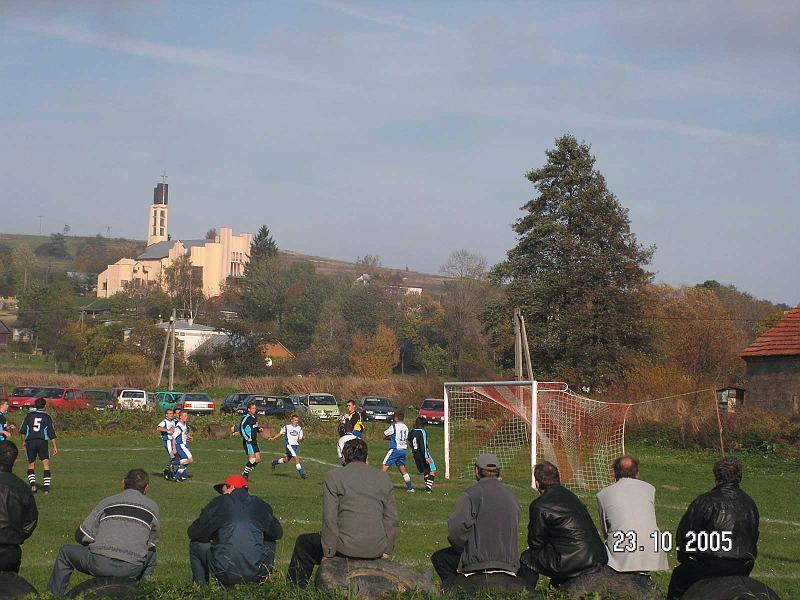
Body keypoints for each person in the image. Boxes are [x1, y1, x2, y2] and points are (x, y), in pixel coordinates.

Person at [287, 438, 398, 587]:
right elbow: (391, 519)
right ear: (366, 457)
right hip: (376, 548)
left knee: (304, 543)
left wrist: (329, 553)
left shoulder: (333, 476)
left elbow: (330, 518)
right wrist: (387, 550)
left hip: (345, 547)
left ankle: (295, 589)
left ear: (344, 457)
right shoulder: (384, 478)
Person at [48, 469, 159, 596]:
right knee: (152, 554)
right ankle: (143, 593)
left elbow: (81, 535)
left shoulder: (107, 502)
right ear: (147, 488)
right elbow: (152, 542)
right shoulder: (153, 507)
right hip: (132, 568)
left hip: (100, 563)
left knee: (65, 552)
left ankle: (53, 595)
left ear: (123, 483)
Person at [667, 456, 759, 600]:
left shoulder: (705, 501)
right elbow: (754, 535)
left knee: (679, 580)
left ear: (716, 475)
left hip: (709, 563)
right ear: (739, 476)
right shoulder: (750, 503)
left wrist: (685, 558)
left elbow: (686, 534)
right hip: (743, 564)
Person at [431, 453, 521, 590]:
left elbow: (456, 531)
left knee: (439, 558)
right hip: (509, 563)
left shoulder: (470, 495)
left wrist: (466, 549)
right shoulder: (512, 497)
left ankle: (455, 590)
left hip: (477, 563)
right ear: (498, 473)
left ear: (477, 471)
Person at [518, 461, 607, 589]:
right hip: (596, 556)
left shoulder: (540, 506)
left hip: (574, 560)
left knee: (528, 558)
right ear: (558, 478)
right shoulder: (572, 496)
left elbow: (536, 543)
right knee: (556, 550)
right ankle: (556, 587)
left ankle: (523, 594)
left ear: (537, 483)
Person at [188, 474, 283, 587]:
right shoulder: (259, 504)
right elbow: (277, 533)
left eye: (223, 490)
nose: (222, 494)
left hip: (225, 571)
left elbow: (195, 533)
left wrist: (214, 535)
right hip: (257, 572)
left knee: (196, 545)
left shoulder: (220, 502)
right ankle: (264, 586)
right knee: (270, 543)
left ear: (231, 487)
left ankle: (201, 590)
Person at [596, 456, 669, 574]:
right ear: (637, 474)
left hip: (623, 551)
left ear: (614, 474)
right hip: (654, 549)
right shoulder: (650, 489)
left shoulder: (603, 494)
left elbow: (605, 530)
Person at [0, 440, 38, 573]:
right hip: (11, 551)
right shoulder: (22, 487)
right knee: (10, 590)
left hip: (10, 547)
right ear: (15, 461)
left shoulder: (22, 487)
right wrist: (17, 536)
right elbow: (31, 520)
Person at [19, 397, 58, 494]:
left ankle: (32, 486)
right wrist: (54, 446)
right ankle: (46, 489)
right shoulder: (47, 417)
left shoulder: (29, 415)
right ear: (44, 406)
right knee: (46, 465)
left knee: (31, 464)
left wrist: (23, 442)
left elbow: (23, 431)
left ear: (35, 406)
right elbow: (51, 432)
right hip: (42, 442)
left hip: (30, 441)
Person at [381, 410, 414, 492]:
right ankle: (410, 487)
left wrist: (388, 438)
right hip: (403, 450)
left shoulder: (394, 426)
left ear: (396, 418)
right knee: (402, 468)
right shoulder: (406, 427)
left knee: (384, 466)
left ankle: (380, 486)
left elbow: (385, 434)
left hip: (395, 449)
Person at [269, 414, 306, 479]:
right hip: (289, 445)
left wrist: (302, 438)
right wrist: (273, 438)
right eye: (295, 420)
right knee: (296, 458)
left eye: (297, 420)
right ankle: (302, 474)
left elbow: (300, 439)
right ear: (291, 420)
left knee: (286, 460)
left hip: (296, 446)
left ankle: (274, 462)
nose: (296, 421)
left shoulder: (299, 428)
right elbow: (280, 433)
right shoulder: (287, 427)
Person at [409, 417, 437, 493]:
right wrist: (427, 457)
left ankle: (427, 488)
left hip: (415, 454)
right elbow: (423, 445)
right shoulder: (422, 432)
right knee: (433, 470)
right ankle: (428, 489)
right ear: (423, 424)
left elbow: (410, 443)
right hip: (423, 454)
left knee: (426, 471)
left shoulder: (411, 432)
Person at [238, 401, 262, 480]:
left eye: (255, 408)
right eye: (253, 408)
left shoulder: (255, 417)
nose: (255, 409)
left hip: (255, 441)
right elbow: (241, 429)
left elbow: (254, 427)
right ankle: (245, 475)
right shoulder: (246, 418)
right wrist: (247, 438)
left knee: (258, 460)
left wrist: (259, 429)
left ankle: (245, 473)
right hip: (249, 441)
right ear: (249, 409)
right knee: (252, 459)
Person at [169, 410, 193, 482]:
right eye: (185, 416)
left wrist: (188, 437)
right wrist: (174, 448)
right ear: (180, 417)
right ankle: (173, 464)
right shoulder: (178, 427)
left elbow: (183, 434)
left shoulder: (184, 424)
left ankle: (176, 477)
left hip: (183, 445)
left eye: (187, 415)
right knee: (190, 460)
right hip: (180, 446)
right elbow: (173, 437)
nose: (186, 417)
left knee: (186, 463)